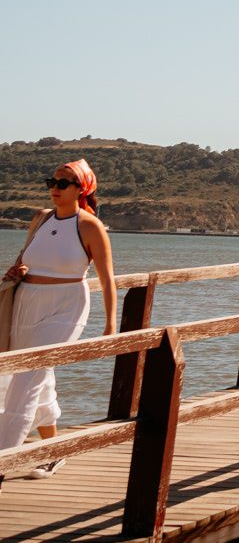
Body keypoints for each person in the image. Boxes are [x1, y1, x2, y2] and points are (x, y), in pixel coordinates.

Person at [1, 159, 117, 481]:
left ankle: (2, 464)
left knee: (26, 382)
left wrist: (110, 326)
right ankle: (54, 452)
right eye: (51, 181)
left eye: (63, 183)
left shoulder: (90, 226)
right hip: (26, 303)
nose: (54, 188)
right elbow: (23, 262)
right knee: (31, 377)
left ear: (82, 189)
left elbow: (107, 279)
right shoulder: (40, 219)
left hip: (66, 306)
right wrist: (16, 272)